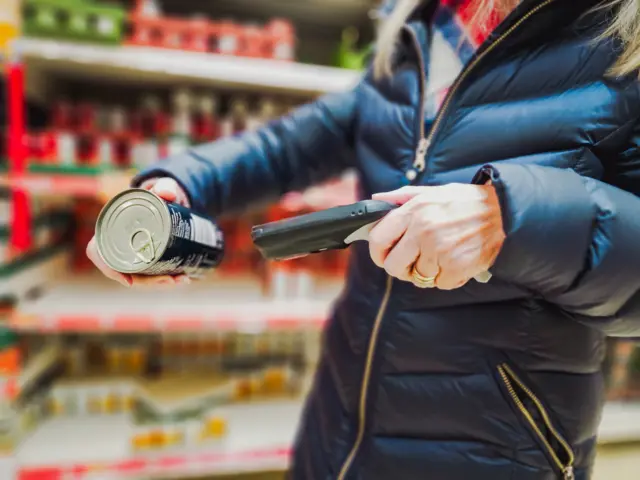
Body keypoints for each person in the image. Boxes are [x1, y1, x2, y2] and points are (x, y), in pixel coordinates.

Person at [87, 0, 640, 478]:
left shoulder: (622, 46)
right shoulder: (426, 23)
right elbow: (296, 142)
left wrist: (512, 218)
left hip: (498, 445)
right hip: (342, 415)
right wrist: (179, 185)